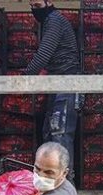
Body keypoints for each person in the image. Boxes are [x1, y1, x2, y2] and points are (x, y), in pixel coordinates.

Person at [24, 0, 82, 172]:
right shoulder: (50, 21)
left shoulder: (55, 20)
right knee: (50, 133)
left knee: (60, 135)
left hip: (67, 82)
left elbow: (43, 54)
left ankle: (65, 181)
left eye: (37, 5)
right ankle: (51, 178)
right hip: (57, 83)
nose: (34, 10)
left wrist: (24, 78)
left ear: (49, 2)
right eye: (32, 6)